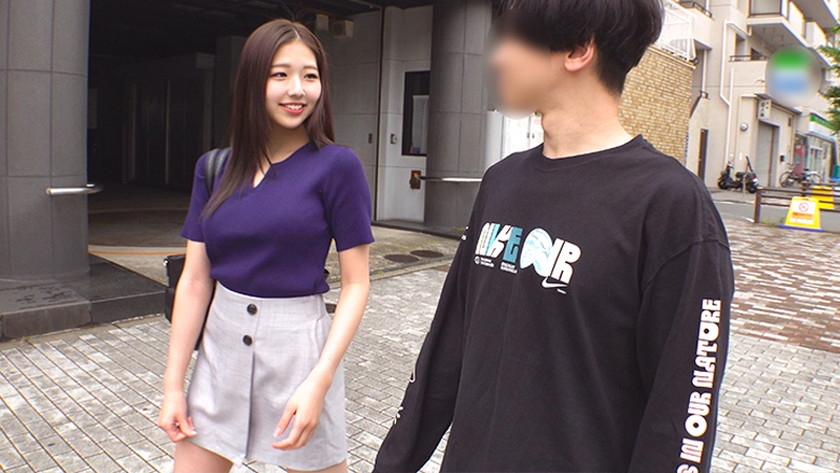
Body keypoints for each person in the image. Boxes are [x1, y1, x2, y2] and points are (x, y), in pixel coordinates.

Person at [374, 1, 733, 472]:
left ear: (578, 48)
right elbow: (449, 344)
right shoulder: (501, 181)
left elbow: (682, 410)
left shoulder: (671, 205)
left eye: (512, 38)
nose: (496, 57)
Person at [157, 19, 374, 473]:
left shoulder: (338, 167)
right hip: (219, 355)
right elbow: (195, 282)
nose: (297, 89)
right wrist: (173, 386)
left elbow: (356, 284)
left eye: (310, 76)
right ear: (253, 81)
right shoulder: (214, 167)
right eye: (280, 74)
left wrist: (320, 380)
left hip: (300, 357)